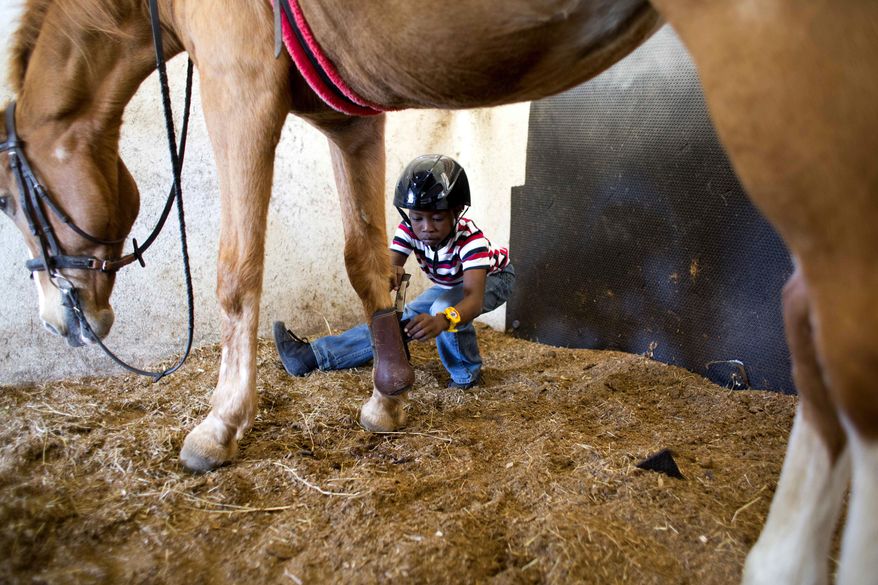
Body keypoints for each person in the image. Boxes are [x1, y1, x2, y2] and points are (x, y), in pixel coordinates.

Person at [274, 154, 515, 389]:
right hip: (451, 282)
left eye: (438, 218)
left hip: (493, 278)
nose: (426, 228)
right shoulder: (410, 229)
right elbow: (389, 268)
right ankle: (313, 356)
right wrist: (390, 276)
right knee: (402, 318)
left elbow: (472, 299)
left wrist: (443, 320)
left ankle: (465, 377)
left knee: (442, 308)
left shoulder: (472, 240)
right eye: (417, 218)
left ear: (457, 210)